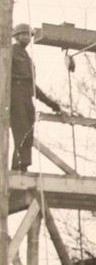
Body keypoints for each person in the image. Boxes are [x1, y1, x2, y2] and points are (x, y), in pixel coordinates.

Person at [9, 23, 62, 172]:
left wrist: (51, 103)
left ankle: (19, 165)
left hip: (27, 95)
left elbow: (33, 86)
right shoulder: (10, 52)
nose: (26, 37)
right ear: (16, 36)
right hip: (15, 94)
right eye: (23, 34)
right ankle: (21, 166)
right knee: (22, 131)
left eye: (28, 34)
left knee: (29, 131)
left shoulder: (27, 58)